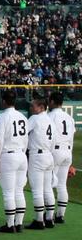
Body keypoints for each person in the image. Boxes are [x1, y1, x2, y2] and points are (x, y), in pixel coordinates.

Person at [0, 90, 29, 233]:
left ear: (4, 101)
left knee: (8, 192)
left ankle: (10, 225)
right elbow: (26, 140)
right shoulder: (22, 116)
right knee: (19, 191)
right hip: (21, 155)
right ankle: (19, 223)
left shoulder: (2, 117)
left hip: (8, 155)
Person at [26, 96, 55, 230]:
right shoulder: (50, 119)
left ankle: (39, 220)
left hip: (37, 156)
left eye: (34, 105)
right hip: (49, 155)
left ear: (41, 107)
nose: (31, 108)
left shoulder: (34, 118)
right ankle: (49, 218)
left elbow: (22, 132)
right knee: (47, 188)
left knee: (37, 190)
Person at [47, 92, 75, 223]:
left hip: (55, 152)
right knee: (62, 185)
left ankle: (49, 216)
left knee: (49, 184)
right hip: (67, 152)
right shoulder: (69, 117)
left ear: (52, 101)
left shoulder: (50, 116)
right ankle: (60, 215)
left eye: (49, 100)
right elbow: (72, 139)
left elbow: (48, 137)